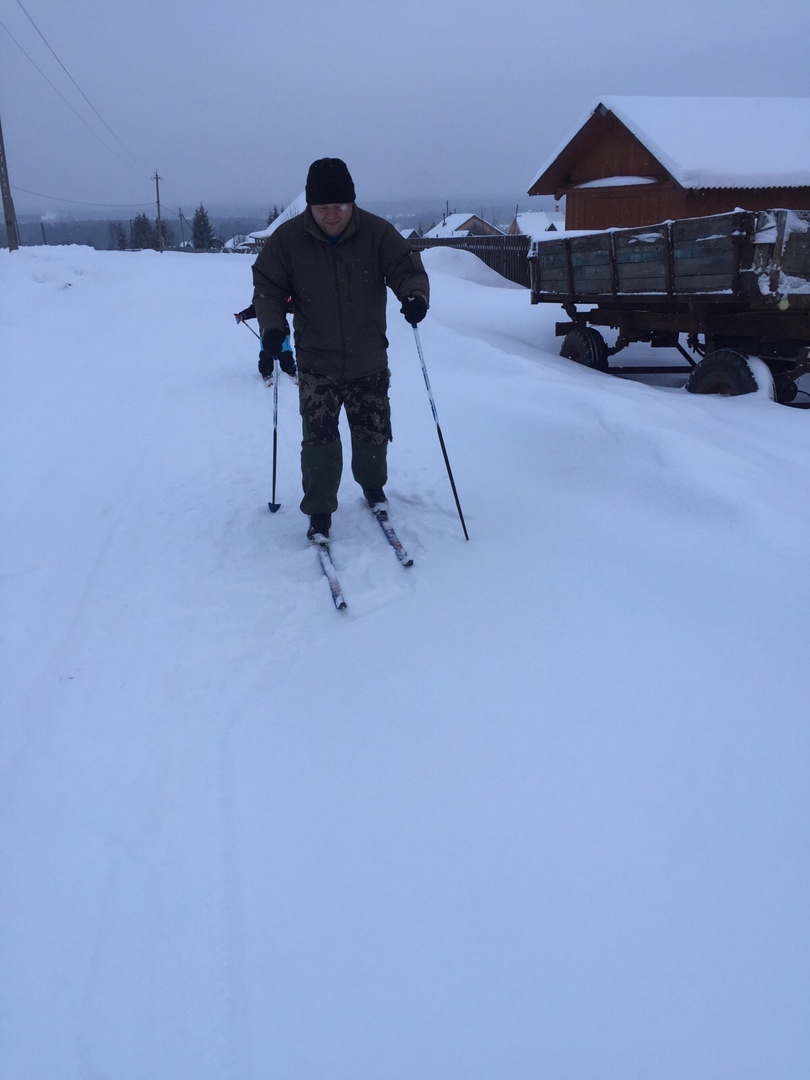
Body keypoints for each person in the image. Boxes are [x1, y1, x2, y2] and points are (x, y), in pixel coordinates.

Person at [251, 158, 429, 542]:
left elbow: (406, 267)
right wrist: (272, 326)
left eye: (339, 206)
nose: (331, 215)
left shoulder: (377, 233)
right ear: (311, 206)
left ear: (352, 203)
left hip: (369, 358)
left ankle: (372, 487)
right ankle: (318, 510)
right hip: (317, 361)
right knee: (319, 440)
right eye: (322, 207)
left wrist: (414, 296)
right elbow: (266, 285)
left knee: (372, 433)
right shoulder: (288, 241)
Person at [234, 303, 297, 380]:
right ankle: (266, 372)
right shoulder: (261, 301)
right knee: (266, 352)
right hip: (266, 332)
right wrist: (242, 315)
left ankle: (289, 369)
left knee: (285, 351)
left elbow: (292, 307)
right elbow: (253, 309)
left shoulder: (280, 298)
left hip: (282, 331)